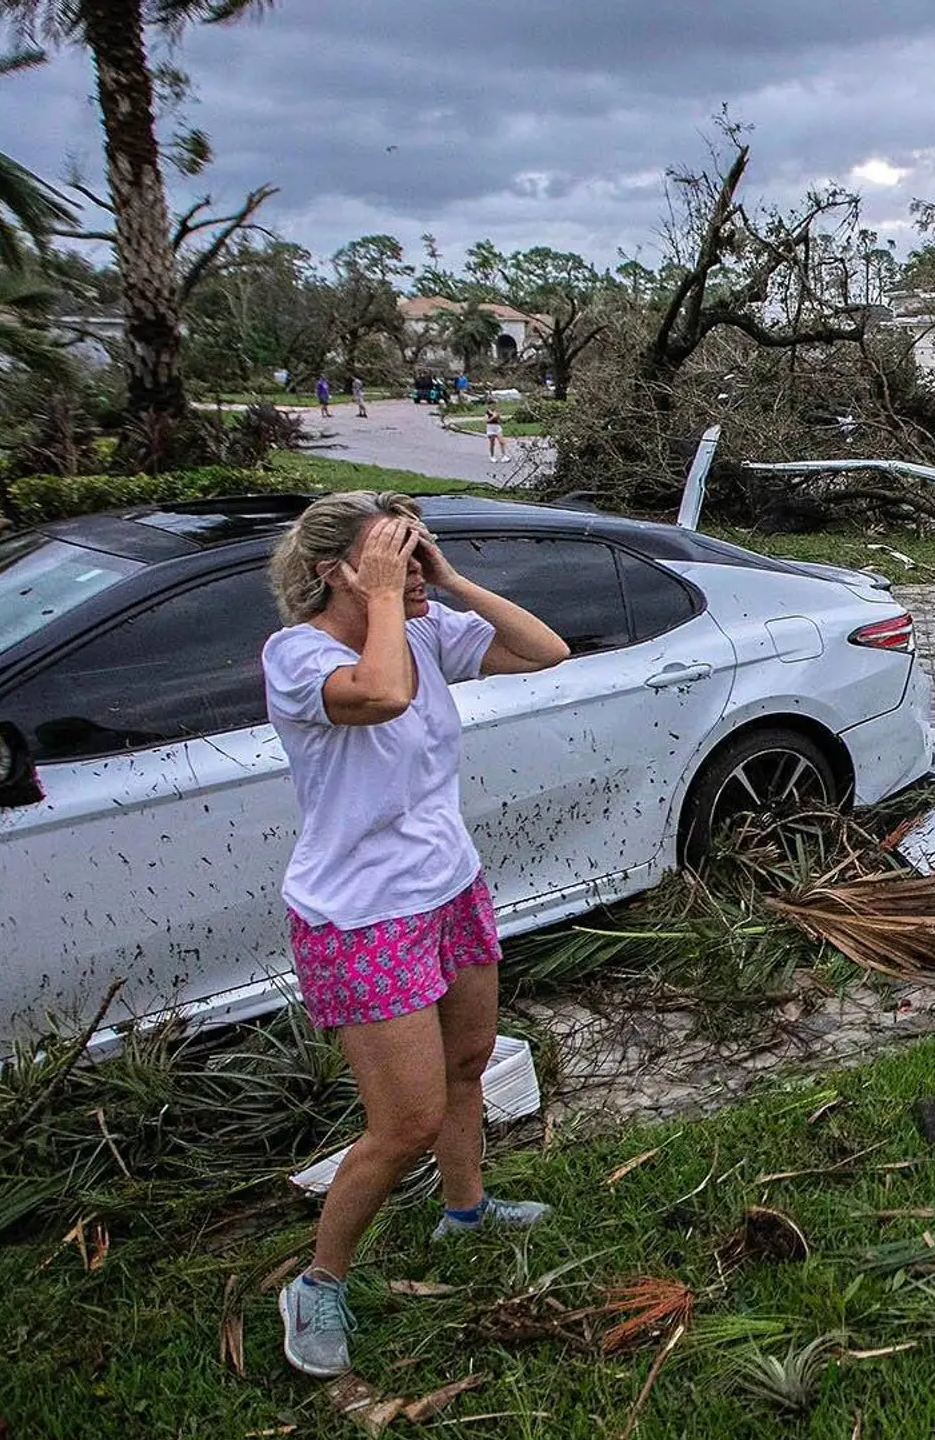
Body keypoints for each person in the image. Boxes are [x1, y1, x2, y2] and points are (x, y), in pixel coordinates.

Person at [262, 492, 570, 1378]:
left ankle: (466, 1208)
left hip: (448, 887)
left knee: (470, 1063)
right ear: (335, 573)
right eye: (390, 552)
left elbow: (544, 649)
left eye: (413, 546)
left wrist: (447, 578)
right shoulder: (298, 655)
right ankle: (318, 1285)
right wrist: (392, 601)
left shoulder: (426, 630)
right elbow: (383, 694)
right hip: (361, 917)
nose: (410, 561)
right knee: (403, 1123)